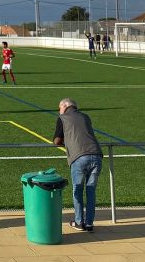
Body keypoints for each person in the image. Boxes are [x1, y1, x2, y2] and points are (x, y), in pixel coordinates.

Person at [53, 97, 103, 232]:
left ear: (64, 106)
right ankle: (89, 223)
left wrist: (67, 143)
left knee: (78, 190)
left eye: (59, 108)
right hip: (97, 155)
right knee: (91, 191)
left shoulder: (62, 118)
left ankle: (79, 222)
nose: (59, 111)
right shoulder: (85, 116)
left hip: (79, 157)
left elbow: (56, 141)